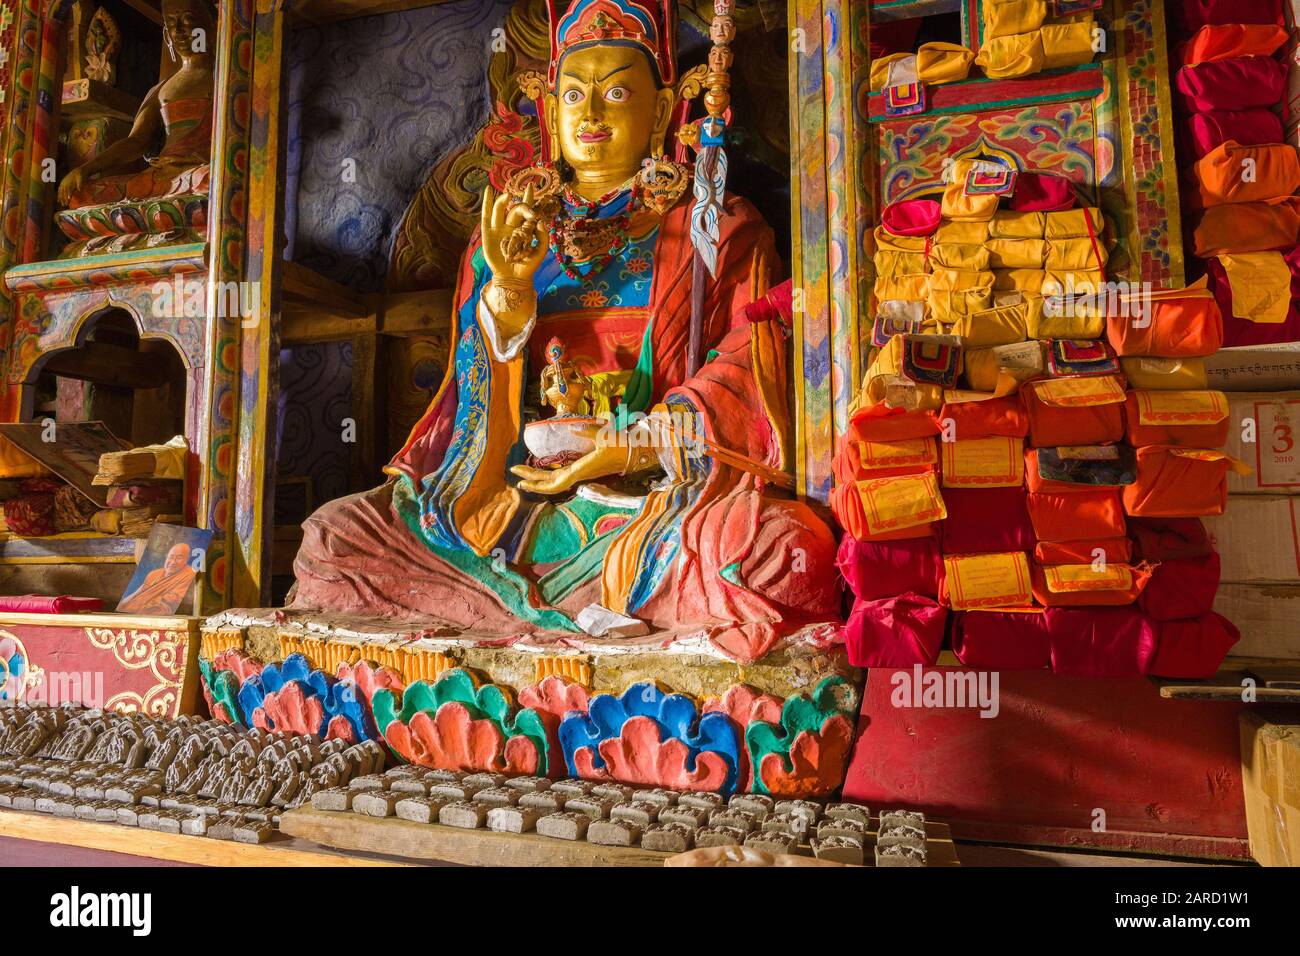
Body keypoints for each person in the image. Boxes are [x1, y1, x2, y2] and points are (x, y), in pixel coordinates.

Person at [287, 0, 839, 663]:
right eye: (574, 94)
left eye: (616, 92)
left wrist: (633, 446)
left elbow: (750, 366)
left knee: (788, 553)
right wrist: (509, 299)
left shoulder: (718, 227)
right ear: (549, 111)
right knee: (334, 538)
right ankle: (570, 623)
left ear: (663, 113)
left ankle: (546, 623)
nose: (593, 112)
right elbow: (468, 417)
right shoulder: (505, 236)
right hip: (510, 506)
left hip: (653, 507)